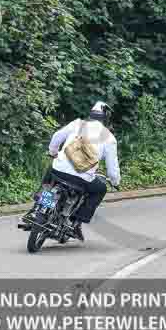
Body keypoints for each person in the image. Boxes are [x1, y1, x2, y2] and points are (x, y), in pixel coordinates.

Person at [42, 101, 120, 241]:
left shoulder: (77, 124)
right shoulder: (109, 137)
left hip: (59, 170)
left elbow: (56, 137)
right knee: (100, 189)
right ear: (106, 118)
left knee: (51, 173)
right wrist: (115, 182)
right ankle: (75, 220)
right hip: (82, 178)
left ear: (91, 114)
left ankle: (41, 205)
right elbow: (112, 169)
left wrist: (53, 152)